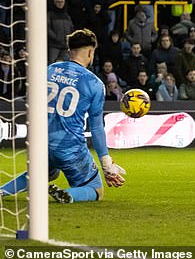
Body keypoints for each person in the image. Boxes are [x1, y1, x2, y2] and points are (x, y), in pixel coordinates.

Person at [1, 30, 126, 202]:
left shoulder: (49, 70)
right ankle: (68, 195)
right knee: (95, 189)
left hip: (42, 143)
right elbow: (97, 128)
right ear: (91, 52)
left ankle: (2, 191)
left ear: (69, 51)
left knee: (47, 173)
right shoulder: (94, 83)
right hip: (70, 148)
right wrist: (106, 164)